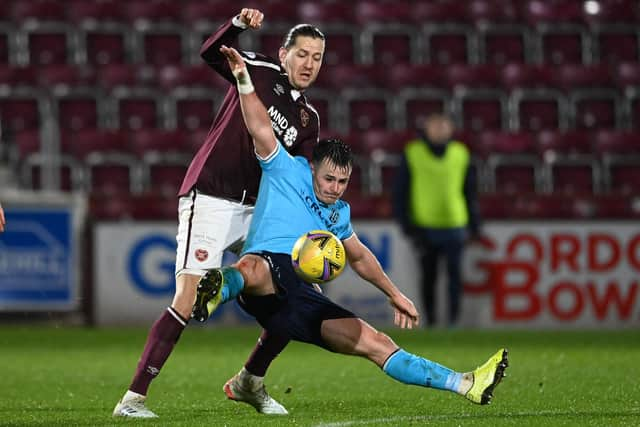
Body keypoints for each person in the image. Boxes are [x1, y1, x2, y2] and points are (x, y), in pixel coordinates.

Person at [191, 45, 508, 413]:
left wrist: (394, 293)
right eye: (329, 178)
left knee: (376, 343)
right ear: (313, 170)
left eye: (343, 181)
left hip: (299, 296)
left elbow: (358, 255)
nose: (334, 188)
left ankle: (465, 383)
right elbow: (259, 125)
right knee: (253, 269)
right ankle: (215, 291)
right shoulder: (287, 169)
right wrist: (244, 80)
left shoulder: (338, 213)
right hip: (263, 273)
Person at [113, 8, 326, 418]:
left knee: (303, 295)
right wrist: (238, 26)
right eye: (302, 54)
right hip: (211, 194)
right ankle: (133, 399)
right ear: (284, 54)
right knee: (188, 294)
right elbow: (210, 52)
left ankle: (249, 381)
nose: (309, 64)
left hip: (256, 210)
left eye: (317, 57)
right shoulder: (258, 69)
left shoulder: (309, 120)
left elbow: (294, 178)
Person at [392, 114, 482, 327]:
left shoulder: (461, 153)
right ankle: (431, 321)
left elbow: (470, 192)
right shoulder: (413, 153)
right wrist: (406, 224)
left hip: (455, 225)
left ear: (451, 129)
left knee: (455, 278)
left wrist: (475, 225)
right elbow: (400, 191)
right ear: (427, 128)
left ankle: (453, 322)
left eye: (444, 125)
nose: (440, 129)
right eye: (435, 125)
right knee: (428, 278)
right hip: (425, 227)